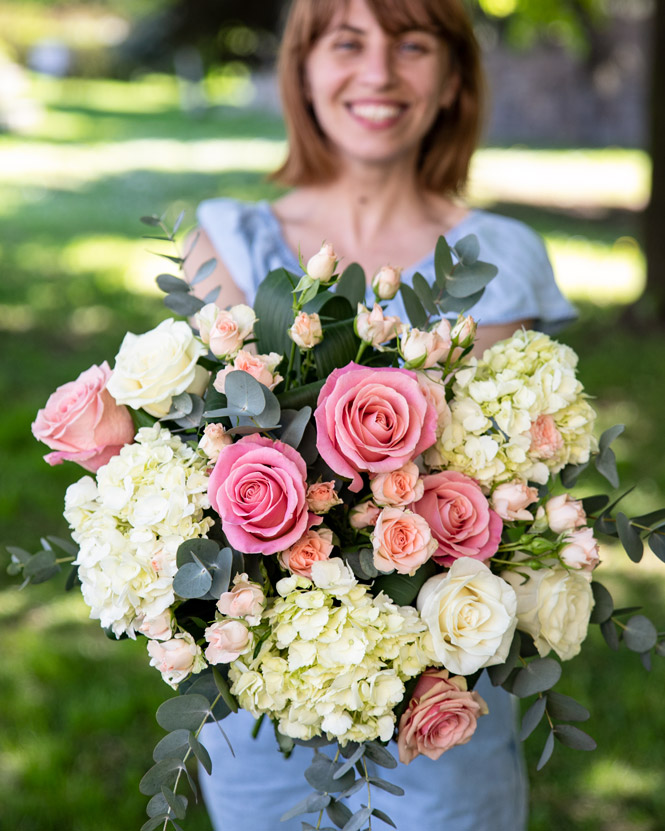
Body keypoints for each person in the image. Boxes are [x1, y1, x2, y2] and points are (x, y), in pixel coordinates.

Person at [184, 1, 576, 828]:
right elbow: (202, 469)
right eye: (347, 41)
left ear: (451, 80)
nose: (377, 72)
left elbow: (492, 489)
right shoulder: (225, 238)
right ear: (302, 68)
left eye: (412, 43)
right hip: (260, 695)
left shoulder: (498, 255)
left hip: (437, 700)